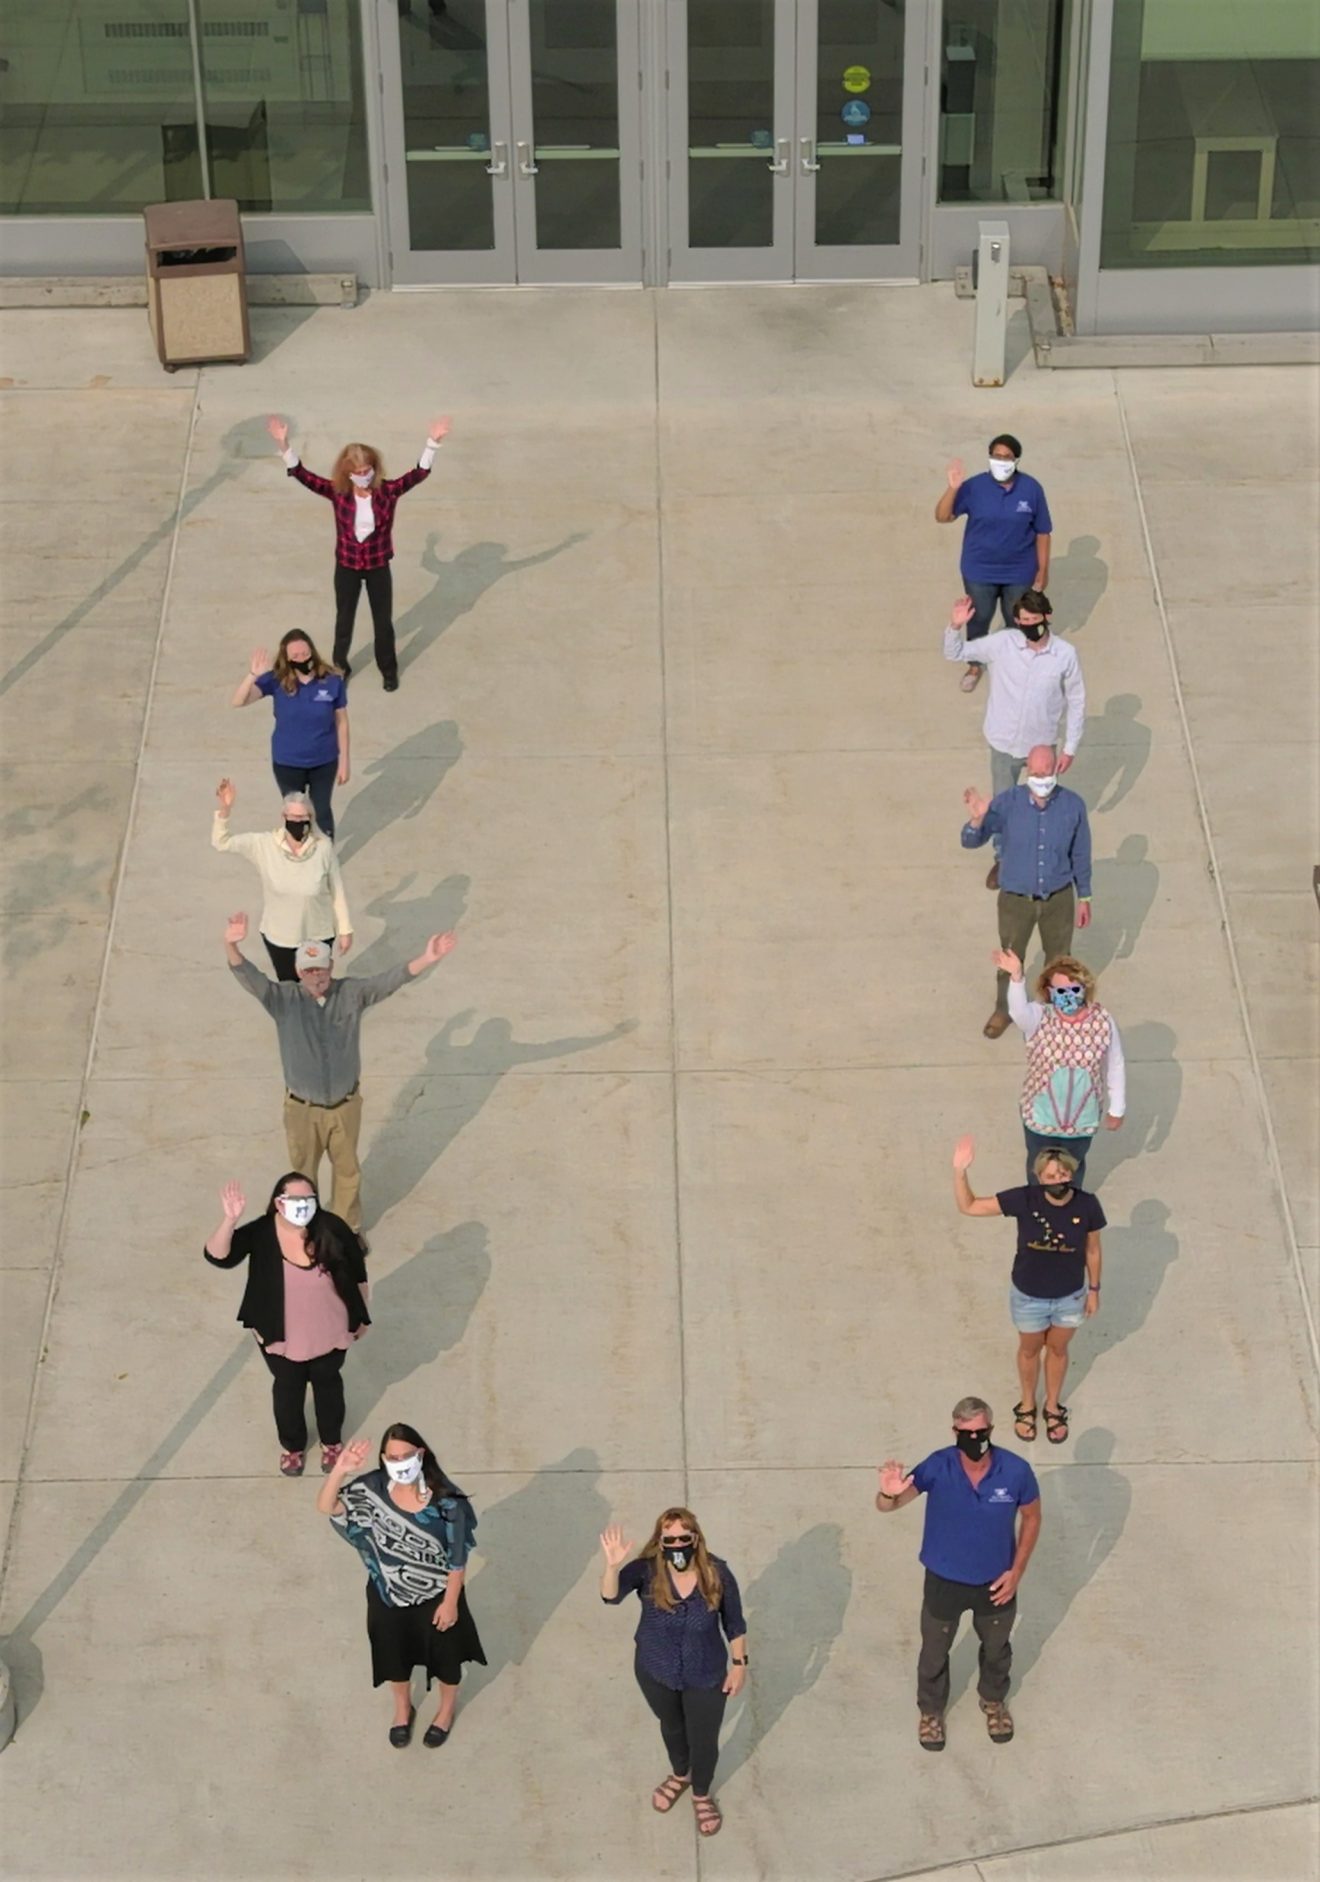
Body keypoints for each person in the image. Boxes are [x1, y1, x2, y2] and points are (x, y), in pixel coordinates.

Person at [223, 912, 457, 1230]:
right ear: (297, 971)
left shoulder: (351, 994)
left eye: (320, 967)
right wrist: (231, 945)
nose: (315, 975)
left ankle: (347, 1231)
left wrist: (427, 958)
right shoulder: (283, 1000)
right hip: (301, 1110)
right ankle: (305, 1232)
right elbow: (247, 975)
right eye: (308, 970)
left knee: (347, 1171)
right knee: (302, 1176)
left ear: (331, 966)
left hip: (345, 1107)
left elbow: (389, 981)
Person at [876, 1396, 1040, 1751]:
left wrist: (1017, 1572)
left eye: (982, 1431)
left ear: (991, 1430)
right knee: (935, 1650)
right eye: (967, 1432)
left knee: (997, 1648)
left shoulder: (1015, 1471)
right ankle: (931, 1712)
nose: (975, 1439)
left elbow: (1032, 1517)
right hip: (944, 1581)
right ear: (954, 1432)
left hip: (995, 1583)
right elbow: (892, 1503)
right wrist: (887, 1493)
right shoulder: (938, 1466)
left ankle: (993, 1701)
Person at [317, 1424, 485, 1747]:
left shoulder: (447, 1503)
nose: (401, 1462)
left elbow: (457, 1559)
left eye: (407, 1455)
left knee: (447, 1663)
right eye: (393, 1457)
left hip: (437, 1599)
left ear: (421, 1454)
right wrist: (339, 1470)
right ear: (383, 1459)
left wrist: (450, 1603)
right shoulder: (371, 1490)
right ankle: (402, 1709)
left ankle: (446, 1710)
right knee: (396, 1660)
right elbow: (328, 1507)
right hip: (387, 1597)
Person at [266, 413, 451, 691]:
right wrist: (284, 445)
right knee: (344, 621)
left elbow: (417, 475)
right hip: (347, 567)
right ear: (346, 473)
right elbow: (303, 476)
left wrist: (432, 443)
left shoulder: (387, 492)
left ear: (375, 468)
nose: (364, 476)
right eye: (358, 472)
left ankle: (388, 670)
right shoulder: (337, 493)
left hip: (378, 566)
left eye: (368, 470)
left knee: (383, 623)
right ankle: (340, 667)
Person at [203, 1172, 370, 1476]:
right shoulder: (261, 1232)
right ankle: (292, 1446)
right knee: (287, 1392)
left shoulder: (332, 1227)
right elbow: (219, 1256)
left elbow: (358, 1274)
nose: (303, 1206)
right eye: (295, 1200)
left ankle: (331, 1441)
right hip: (281, 1336)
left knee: (328, 1386)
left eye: (309, 1199)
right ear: (279, 1203)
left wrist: (362, 1316)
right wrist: (229, 1221)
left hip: (330, 1333)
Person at [600, 1509, 748, 1839]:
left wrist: (739, 1665)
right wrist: (611, 1566)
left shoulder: (717, 1573)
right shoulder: (646, 1571)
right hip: (657, 1670)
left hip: (706, 1673)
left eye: (684, 1538)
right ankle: (680, 1774)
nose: (678, 1544)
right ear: (660, 1541)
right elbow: (610, 1596)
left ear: (696, 1538)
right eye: (670, 1539)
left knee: (704, 1738)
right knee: (672, 1726)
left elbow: (735, 1624)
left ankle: (701, 1793)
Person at [952, 1137, 1105, 1446]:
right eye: (1050, 1176)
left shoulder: (1087, 1204)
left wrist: (1094, 1290)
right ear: (1039, 1177)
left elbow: (1093, 1250)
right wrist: (959, 1171)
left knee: (1059, 1350)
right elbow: (970, 1206)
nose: (1057, 1181)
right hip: (1029, 1297)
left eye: (1063, 1175)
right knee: (1029, 1350)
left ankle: (1052, 1406)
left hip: (1069, 1297)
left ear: (1072, 1174)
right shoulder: (1025, 1199)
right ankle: (1027, 1405)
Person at [942, 590, 1085, 887]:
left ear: (1047, 617)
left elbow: (1076, 699)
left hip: (1041, 747)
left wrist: (1070, 746)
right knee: (1001, 807)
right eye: (1023, 622)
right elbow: (956, 653)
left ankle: (1048, 857)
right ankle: (1003, 859)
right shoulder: (1003, 644)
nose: (1029, 627)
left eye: (1034, 620)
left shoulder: (1065, 655)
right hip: (1003, 742)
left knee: (1044, 805)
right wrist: (955, 627)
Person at [961, 745, 1092, 1040]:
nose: (1040, 779)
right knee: (1010, 957)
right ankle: (1004, 1009)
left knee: (1060, 960)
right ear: (1027, 772)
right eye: (1034, 773)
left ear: (1055, 769)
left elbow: (1081, 853)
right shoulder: (1008, 803)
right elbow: (970, 841)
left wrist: (1085, 896)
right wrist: (977, 819)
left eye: (1045, 773)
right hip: (1015, 901)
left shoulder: (1073, 806)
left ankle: (1059, 1014)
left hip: (1058, 898)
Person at [995, 947, 1126, 1185]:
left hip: (1082, 1120)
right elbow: (1018, 1012)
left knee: (1073, 1171)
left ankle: (1071, 1215)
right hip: (1040, 1117)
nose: (1069, 995)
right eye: (1061, 990)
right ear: (1049, 991)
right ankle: (1038, 1213)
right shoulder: (1038, 1016)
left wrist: (1117, 1108)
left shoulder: (1103, 1020)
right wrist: (1016, 978)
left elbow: (1115, 1064)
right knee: (1039, 1170)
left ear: (1085, 989)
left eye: (1075, 989)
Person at [935, 435, 1052, 693]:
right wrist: (953, 488)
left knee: (1017, 620)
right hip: (979, 570)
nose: (1001, 461)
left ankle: (1015, 665)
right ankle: (975, 665)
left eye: (1007, 457)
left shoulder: (1031, 489)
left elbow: (1043, 532)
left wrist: (1043, 570)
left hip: (1019, 572)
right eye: (996, 456)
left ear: (1016, 460)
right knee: (979, 618)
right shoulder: (974, 487)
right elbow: (942, 516)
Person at [212, 777, 351, 983]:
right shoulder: (263, 845)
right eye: (292, 816)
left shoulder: (323, 848)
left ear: (311, 818)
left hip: (317, 935)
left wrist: (345, 930)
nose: (297, 821)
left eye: (303, 817)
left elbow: (337, 891)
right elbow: (221, 842)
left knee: (316, 987)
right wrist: (225, 810)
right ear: (283, 816)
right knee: (289, 991)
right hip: (280, 937)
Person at [232, 631, 348, 840]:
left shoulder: (332, 681)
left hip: (324, 761)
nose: (302, 659)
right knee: (296, 813)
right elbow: (239, 701)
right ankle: (297, 856)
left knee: (321, 809)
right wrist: (252, 675)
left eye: (305, 653)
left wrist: (345, 761)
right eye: (295, 656)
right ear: (286, 659)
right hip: (288, 763)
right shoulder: (276, 681)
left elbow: (342, 722)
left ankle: (325, 856)